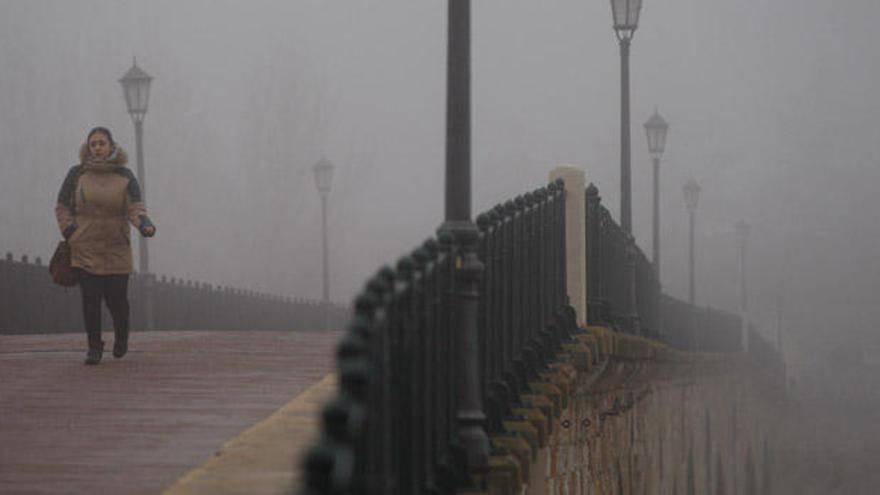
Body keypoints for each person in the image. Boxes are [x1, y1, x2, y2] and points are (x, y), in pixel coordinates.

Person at [55, 127, 156, 365]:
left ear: (111, 146)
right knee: (90, 300)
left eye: (102, 143)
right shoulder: (76, 174)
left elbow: (135, 207)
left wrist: (144, 225)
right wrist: (70, 231)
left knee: (117, 302)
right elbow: (62, 207)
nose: (98, 148)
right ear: (88, 148)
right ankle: (94, 347)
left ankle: (122, 337)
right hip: (85, 247)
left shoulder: (125, 176)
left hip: (115, 250)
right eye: (93, 144)